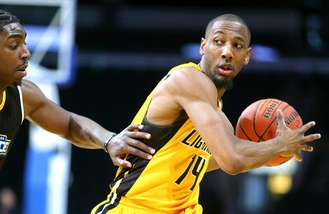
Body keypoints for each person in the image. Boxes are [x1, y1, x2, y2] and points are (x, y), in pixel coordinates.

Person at [91, 14, 321, 213]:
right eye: (218, 42)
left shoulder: (215, 109)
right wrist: (279, 145)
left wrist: (256, 148)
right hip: (136, 209)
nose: (227, 52)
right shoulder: (189, 79)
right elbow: (232, 160)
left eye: (237, 46)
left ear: (248, 56)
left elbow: (210, 161)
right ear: (203, 46)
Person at [0, 7, 155, 213]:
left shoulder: (23, 95)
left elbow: (69, 124)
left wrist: (109, 140)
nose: (26, 53)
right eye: (14, 45)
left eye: (25, 43)